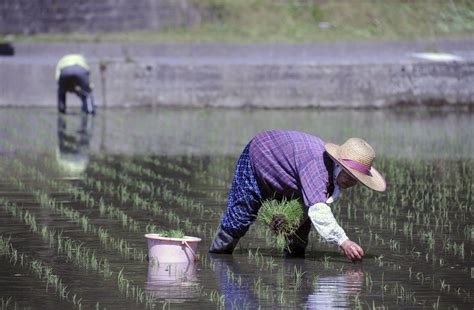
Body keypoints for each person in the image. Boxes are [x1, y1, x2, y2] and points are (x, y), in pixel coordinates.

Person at [209, 130, 386, 261]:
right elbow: (319, 211)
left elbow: (313, 205)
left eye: (355, 179)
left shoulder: (328, 173)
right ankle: (217, 256)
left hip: (289, 171)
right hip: (259, 155)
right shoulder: (317, 169)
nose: (350, 182)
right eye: (348, 175)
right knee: (241, 215)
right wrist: (344, 241)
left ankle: (295, 260)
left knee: (302, 215)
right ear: (339, 165)